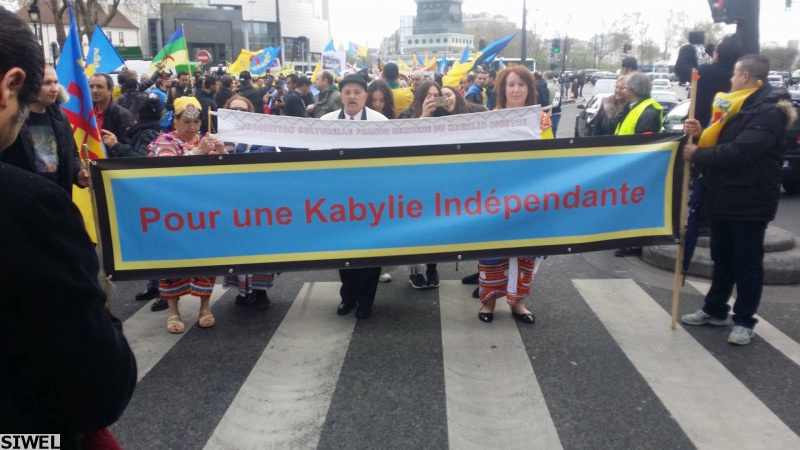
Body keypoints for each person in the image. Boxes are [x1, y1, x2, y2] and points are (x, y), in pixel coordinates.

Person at [0, 9, 136, 447]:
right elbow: (96, 387)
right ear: (10, 87)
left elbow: (68, 155)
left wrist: (77, 171)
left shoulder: (59, 118)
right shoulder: (27, 209)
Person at [681, 54, 796, 345]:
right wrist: (700, 133)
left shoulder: (768, 111)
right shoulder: (737, 105)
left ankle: (744, 320)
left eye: (734, 73)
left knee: (747, 263)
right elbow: (725, 140)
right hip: (724, 194)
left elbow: (742, 151)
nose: (730, 79)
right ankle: (715, 309)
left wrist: (699, 154)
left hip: (750, 199)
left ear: (745, 76)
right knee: (722, 257)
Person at [477, 66, 553, 324]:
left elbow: (550, 156)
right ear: (503, 89)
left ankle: (518, 303)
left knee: (525, 252)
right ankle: (488, 302)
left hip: (529, 197)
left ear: (529, 89)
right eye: (511, 85)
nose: (516, 89)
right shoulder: (491, 119)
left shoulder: (542, 120)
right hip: (496, 197)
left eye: (521, 85)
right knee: (492, 250)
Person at [147, 97, 227, 332]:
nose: (192, 127)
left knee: (206, 259)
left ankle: (205, 307)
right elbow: (166, 171)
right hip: (172, 213)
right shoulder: (164, 141)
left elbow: (225, 176)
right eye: (186, 121)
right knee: (172, 260)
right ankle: (173, 311)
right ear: (176, 122)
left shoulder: (208, 140)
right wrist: (198, 151)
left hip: (203, 212)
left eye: (196, 121)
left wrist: (222, 153)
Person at [321, 74, 389, 319]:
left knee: (371, 250)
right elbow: (315, 157)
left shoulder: (380, 122)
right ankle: (348, 297)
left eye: (357, 92)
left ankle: (365, 302)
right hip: (339, 199)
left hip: (372, 199)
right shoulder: (326, 122)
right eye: (347, 92)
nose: (352, 97)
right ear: (341, 96)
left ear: (365, 96)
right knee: (344, 249)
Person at [0, 66, 88, 197]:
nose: (54, 89)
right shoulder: (12, 119)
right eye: (47, 83)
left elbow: (72, 154)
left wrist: (78, 173)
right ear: (31, 86)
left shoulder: (60, 118)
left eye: (55, 82)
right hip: (23, 200)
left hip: (58, 197)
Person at [613, 72, 663, 257]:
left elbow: (645, 144)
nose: (623, 90)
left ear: (633, 90)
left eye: (625, 87)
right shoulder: (634, 107)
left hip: (636, 169)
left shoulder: (647, 112)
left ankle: (634, 244)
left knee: (637, 206)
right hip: (626, 166)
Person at [695, 35, 741, 128]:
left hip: (701, 128)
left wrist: (686, 47)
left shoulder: (704, 72)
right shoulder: (741, 77)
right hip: (731, 129)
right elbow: (726, 56)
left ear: (716, 55)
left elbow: (682, 69)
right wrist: (709, 46)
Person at [89, 73, 134, 147]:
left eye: (99, 87)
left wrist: (115, 145)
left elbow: (129, 146)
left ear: (110, 90)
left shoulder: (122, 115)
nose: (94, 90)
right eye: (91, 87)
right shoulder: (87, 113)